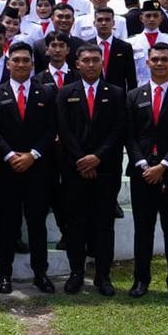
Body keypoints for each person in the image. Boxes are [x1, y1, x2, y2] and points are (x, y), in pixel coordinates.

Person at [124, 42, 168, 303]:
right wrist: (144, 165)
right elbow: (129, 136)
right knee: (143, 229)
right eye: (155, 59)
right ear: (147, 63)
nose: (160, 63)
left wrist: (163, 165)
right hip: (142, 173)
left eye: (165, 59)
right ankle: (141, 280)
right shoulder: (134, 96)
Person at [0, 42, 57, 295]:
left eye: (25, 60)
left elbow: (52, 130)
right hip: (7, 171)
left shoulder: (47, 93)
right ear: (8, 64)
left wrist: (33, 155)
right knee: (7, 225)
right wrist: (8, 155)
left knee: (37, 224)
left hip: (37, 169)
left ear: (32, 63)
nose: (20, 64)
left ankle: (41, 273)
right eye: (15, 60)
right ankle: (4, 274)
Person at [57, 43, 126, 296]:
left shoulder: (117, 93)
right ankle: (76, 273)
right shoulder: (65, 93)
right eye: (85, 60)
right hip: (74, 170)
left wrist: (97, 157)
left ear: (102, 63)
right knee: (75, 223)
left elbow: (118, 130)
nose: (90, 64)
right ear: (77, 63)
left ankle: (103, 275)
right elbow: (64, 130)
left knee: (104, 224)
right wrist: (82, 160)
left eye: (95, 60)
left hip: (105, 170)